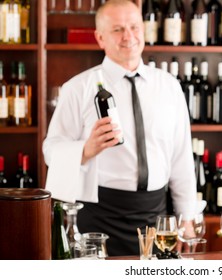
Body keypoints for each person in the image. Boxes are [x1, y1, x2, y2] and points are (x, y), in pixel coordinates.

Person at [42, 0, 196, 256]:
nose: (128, 36)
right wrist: (85, 149)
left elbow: (181, 157)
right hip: (100, 216)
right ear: (100, 37)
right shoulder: (77, 88)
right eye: (117, 29)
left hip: (156, 215)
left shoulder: (169, 86)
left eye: (134, 27)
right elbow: (50, 149)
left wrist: (187, 217)